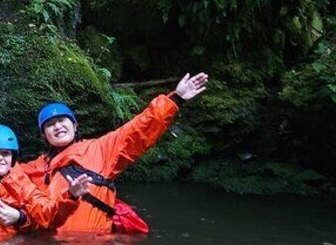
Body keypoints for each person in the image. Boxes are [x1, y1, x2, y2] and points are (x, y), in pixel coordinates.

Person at [20, 72, 209, 234]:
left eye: (62, 121)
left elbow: (139, 129)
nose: (58, 126)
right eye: (50, 125)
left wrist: (176, 99)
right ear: (44, 134)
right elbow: (4, 173)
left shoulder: (101, 149)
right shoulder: (37, 167)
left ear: (75, 125)